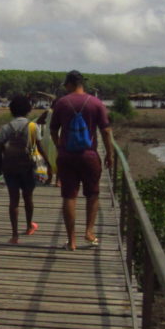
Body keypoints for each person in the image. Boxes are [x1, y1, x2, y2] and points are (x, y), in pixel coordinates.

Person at [49, 70, 114, 250]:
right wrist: (109, 154)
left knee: (69, 196)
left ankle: (72, 241)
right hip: (89, 155)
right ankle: (89, 232)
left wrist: (59, 146)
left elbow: (53, 130)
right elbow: (106, 131)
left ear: (70, 84)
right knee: (92, 194)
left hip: (67, 156)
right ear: (82, 83)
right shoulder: (96, 103)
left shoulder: (62, 103)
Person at [0, 95, 52, 244]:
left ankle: (14, 235)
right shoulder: (33, 126)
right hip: (28, 166)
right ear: (28, 110)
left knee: (13, 201)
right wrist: (48, 164)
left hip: (10, 168)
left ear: (12, 110)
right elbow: (37, 147)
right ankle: (28, 226)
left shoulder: (6, 127)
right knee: (28, 198)